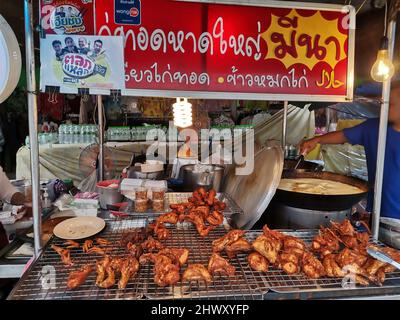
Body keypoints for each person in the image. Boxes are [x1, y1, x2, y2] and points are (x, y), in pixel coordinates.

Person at [300, 80, 400, 221]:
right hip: (379, 215)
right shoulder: (374, 127)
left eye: (392, 103)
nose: (385, 106)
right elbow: (343, 136)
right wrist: (316, 140)